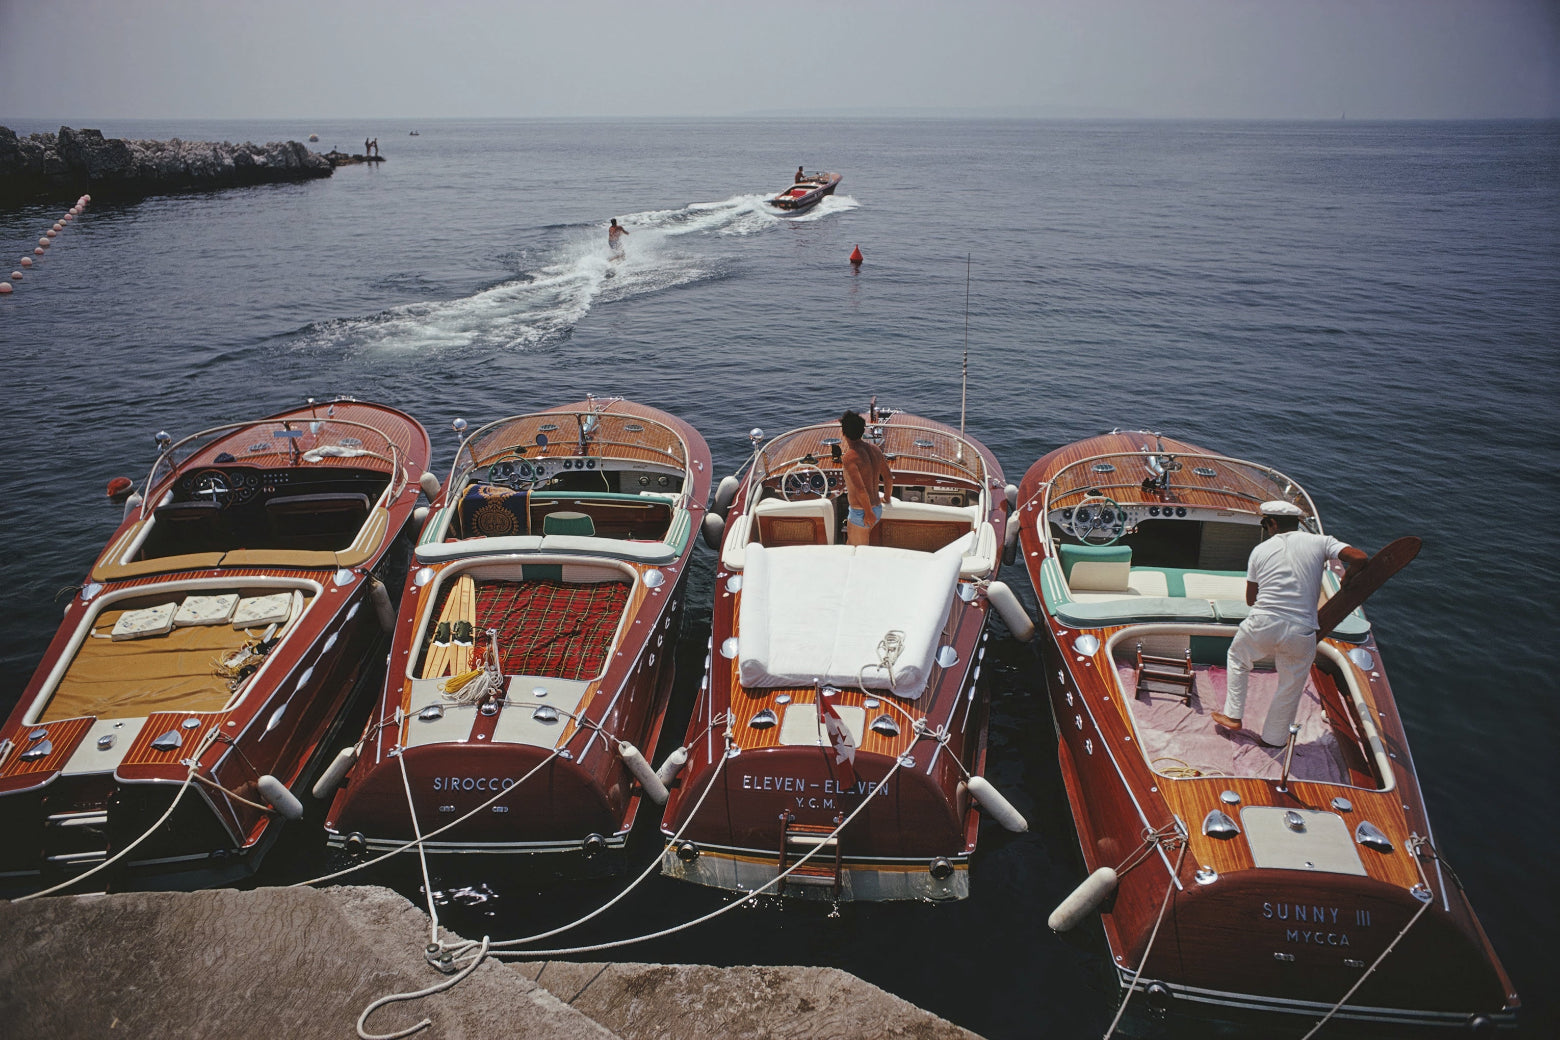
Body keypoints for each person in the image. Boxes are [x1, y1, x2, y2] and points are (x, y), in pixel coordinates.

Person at [1213, 501, 1367, 747]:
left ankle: (1233, 715)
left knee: (1238, 657)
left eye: (1265, 523)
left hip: (1264, 622)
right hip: (1302, 630)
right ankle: (1274, 739)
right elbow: (1360, 557)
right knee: (1291, 685)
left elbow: (1251, 599)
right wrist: (1347, 579)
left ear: (1272, 523)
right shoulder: (1322, 541)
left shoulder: (1260, 550)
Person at [838, 409, 893, 546]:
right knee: (850, 544)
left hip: (861, 512)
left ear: (843, 433)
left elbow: (860, 489)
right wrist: (886, 498)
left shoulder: (849, 457)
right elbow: (888, 478)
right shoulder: (875, 450)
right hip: (877, 509)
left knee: (857, 552)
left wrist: (868, 513)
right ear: (862, 431)